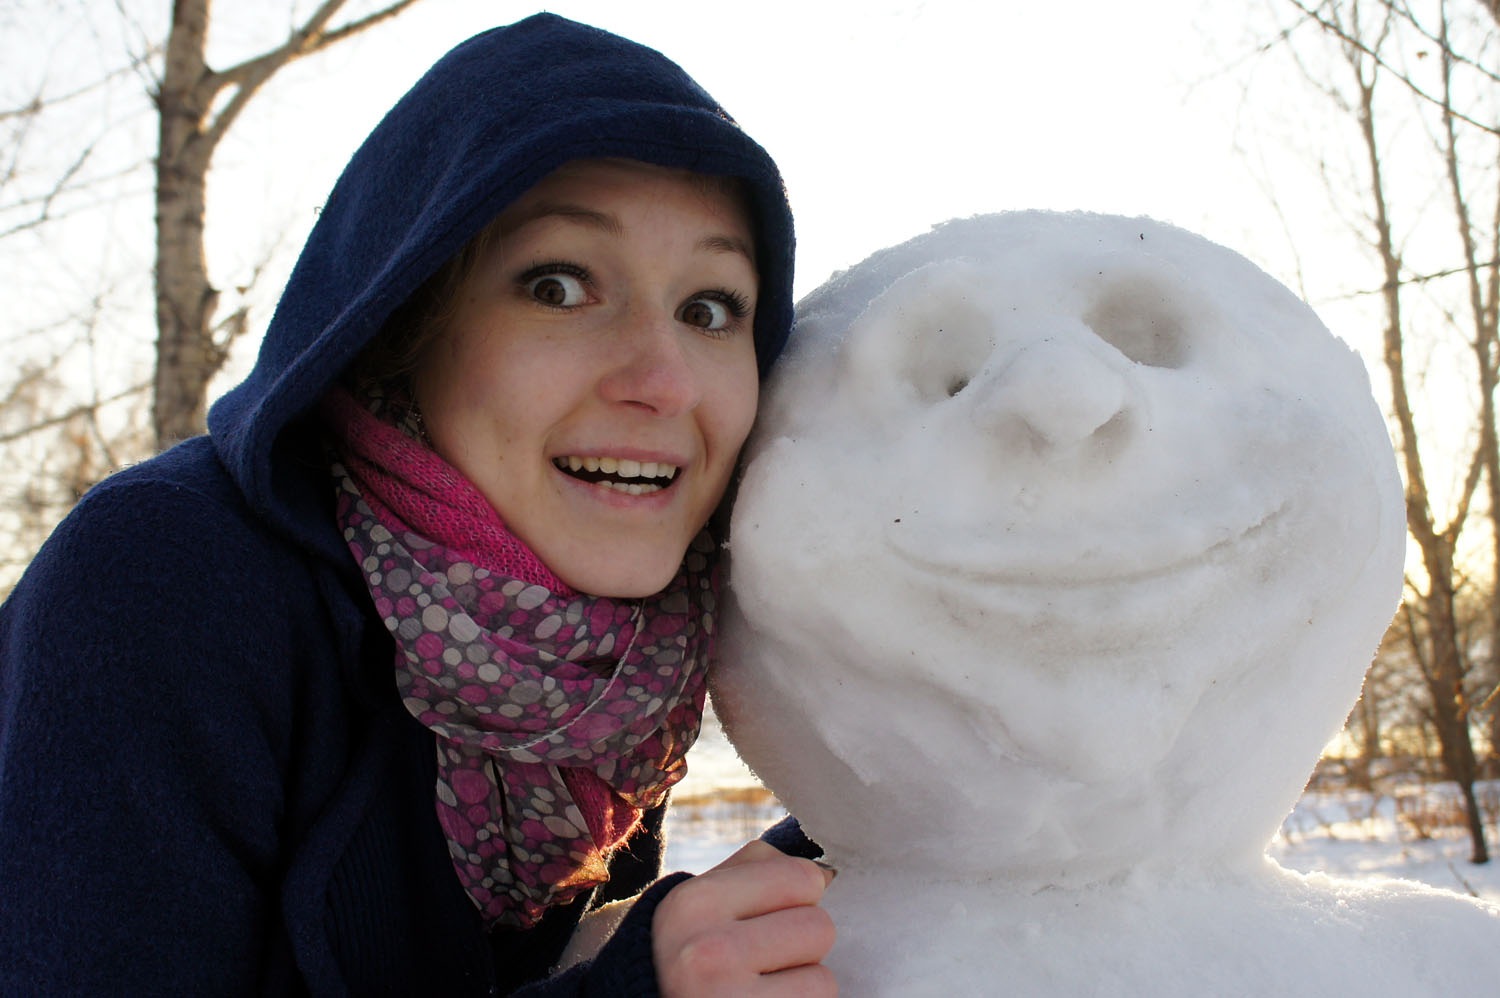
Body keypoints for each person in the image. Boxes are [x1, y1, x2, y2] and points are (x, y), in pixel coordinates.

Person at [0, 14, 835, 996]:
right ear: (403, 319)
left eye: (709, 308)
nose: (664, 380)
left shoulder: (610, 657)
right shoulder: (165, 579)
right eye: (558, 285)